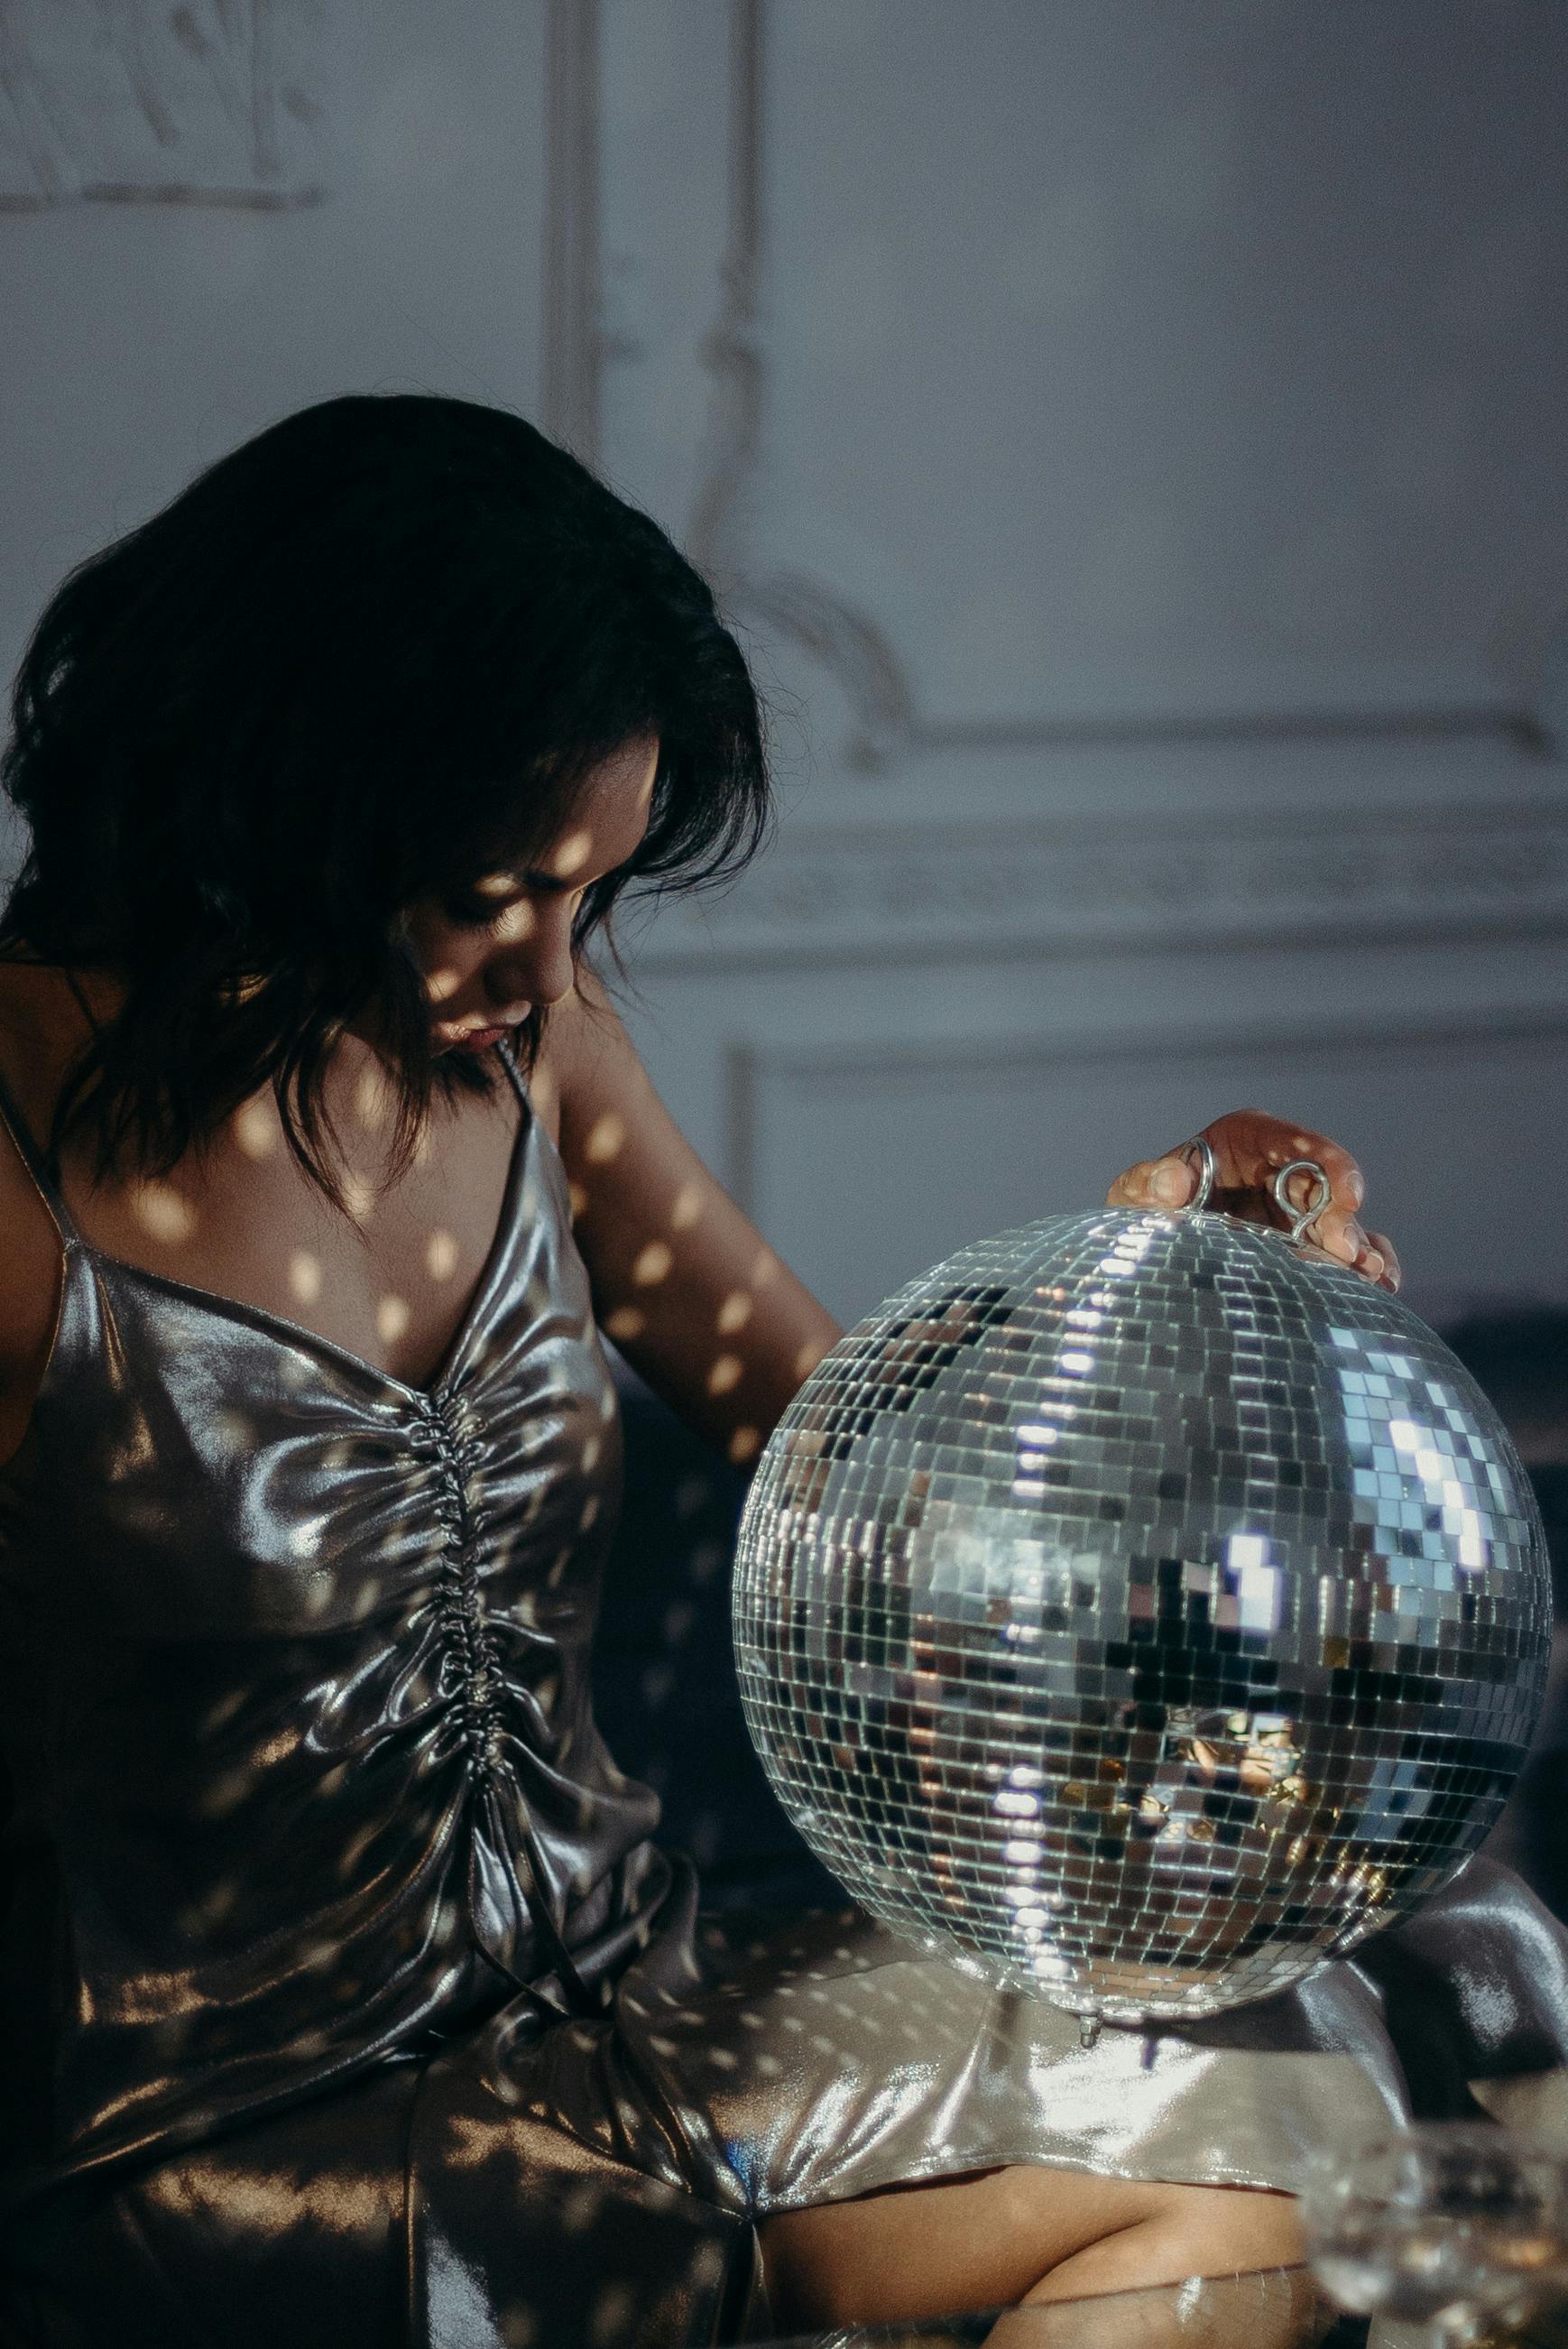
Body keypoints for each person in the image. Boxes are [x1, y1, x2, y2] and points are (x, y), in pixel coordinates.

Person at [0, 393, 1563, 2349]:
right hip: (249, 2153)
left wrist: (1166, 1281)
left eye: (595, 899)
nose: (555, 977)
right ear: (289, 808)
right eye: (498, 894)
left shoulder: (528, 1073)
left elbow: (864, 1469)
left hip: (629, 2010)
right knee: (1288, 2157)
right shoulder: (16, 1174)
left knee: (1338, 2052)